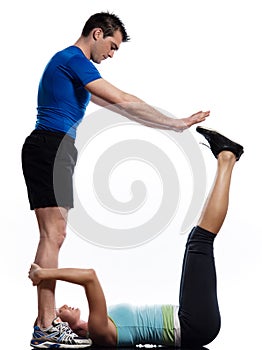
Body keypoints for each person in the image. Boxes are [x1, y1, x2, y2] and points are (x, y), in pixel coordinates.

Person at [21, 11, 210, 343]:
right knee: (53, 234)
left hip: (58, 149)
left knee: (57, 235)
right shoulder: (73, 60)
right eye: (112, 46)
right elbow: (124, 98)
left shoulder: (77, 72)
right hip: (49, 147)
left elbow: (121, 108)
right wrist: (176, 122)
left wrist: (170, 127)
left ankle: (46, 324)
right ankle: (45, 325)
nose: (111, 54)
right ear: (97, 33)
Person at [28, 127, 244, 348]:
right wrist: (43, 272)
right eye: (58, 315)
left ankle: (225, 159)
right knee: (200, 241)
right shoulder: (99, 331)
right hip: (192, 325)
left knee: (196, 240)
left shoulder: (99, 326)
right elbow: (89, 277)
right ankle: (227, 157)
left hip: (188, 319)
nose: (62, 307)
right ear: (67, 330)